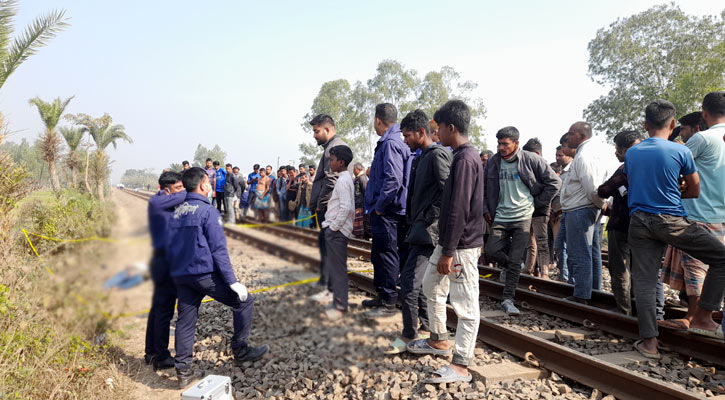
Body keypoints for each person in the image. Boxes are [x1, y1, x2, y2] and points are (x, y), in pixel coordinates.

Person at [626, 99, 725, 359]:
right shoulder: (681, 151)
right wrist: (678, 191)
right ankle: (704, 316)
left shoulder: (632, 153)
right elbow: (694, 189)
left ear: (645, 125)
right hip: (671, 221)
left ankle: (649, 344)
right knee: (721, 258)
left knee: (645, 282)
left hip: (638, 221)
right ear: (673, 124)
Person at [166, 167, 267, 388]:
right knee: (244, 301)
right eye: (209, 183)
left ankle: (182, 371)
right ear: (203, 185)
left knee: (185, 321)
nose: (211, 186)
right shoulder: (208, 211)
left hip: (183, 275)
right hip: (205, 275)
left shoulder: (176, 211)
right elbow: (218, 250)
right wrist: (232, 282)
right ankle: (240, 350)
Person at [407, 100, 483, 384]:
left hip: (460, 245)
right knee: (431, 284)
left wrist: (449, 251)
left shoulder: (464, 160)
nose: (436, 133)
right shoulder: (461, 156)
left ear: (451, 128)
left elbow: (459, 208)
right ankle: (439, 339)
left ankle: (461, 364)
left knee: (465, 305)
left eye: (438, 128)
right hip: (452, 242)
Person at [385, 109, 451, 354]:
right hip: (419, 229)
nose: (404, 140)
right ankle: (425, 328)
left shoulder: (436, 156)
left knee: (411, 284)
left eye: (407, 135)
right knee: (421, 284)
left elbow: (448, 193)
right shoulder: (422, 156)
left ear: (421, 132)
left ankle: (409, 335)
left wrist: (429, 219)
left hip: (428, 232)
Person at [660, 94, 725, 332]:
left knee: (696, 269)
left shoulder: (702, 139)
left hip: (698, 213)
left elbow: (675, 167)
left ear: (704, 113)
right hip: (722, 215)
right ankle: (695, 317)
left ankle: (697, 318)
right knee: (712, 266)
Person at [483, 127, 561, 315]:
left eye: (505, 144)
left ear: (516, 144)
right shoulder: (493, 162)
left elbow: (555, 183)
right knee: (492, 250)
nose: (501, 148)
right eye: (499, 144)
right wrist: (486, 208)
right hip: (500, 216)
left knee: (517, 256)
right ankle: (511, 266)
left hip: (523, 217)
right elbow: (484, 187)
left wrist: (537, 204)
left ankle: (508, 299)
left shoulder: (531, 159)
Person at [363, 103, 413, 314]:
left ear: (377, 120)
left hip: (387, 212)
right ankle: (383, 295)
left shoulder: (391, 143)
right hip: (388, 210)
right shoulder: (394, 141)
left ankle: (389, 300)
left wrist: (380, 207)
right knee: (380, 254)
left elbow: (392, 180)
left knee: (387, 254)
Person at [561, 121, 615, 303]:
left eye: (571, 134)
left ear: (581, 136)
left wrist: (600, 204)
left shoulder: (584, 156)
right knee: (592, 253)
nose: (567, 137)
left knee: (579, 253)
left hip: (580, 209)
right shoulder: (594, 152)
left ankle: (581, 295)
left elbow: (592, 188)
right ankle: (593, 292)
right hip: (587, 208)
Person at [597, 130, 645, 316]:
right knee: (639, 268)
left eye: (618, 149)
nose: (616, 153)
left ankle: (623, 310)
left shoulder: (626, 168)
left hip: (621, 222)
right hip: (644, 224)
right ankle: (641, 309)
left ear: (625, 150)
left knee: (620, 268)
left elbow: (604, 190)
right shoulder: (650, 165)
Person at [144, 171, 186, 371]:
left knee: (157, 309)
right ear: (166, 189)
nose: (181, 191)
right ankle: (161, 356)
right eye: (178, 188)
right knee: (164, 311)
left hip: (164, 261)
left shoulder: (166, 202)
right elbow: (185, 196)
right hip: (165, 263)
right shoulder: (157, 201)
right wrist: (194, 187)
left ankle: (151, 352)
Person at [308, 114, 347, 302]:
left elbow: (331, 179)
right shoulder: (330, 148)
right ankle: (326, 283)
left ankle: (332, 289)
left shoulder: (335, 147)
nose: (314, 135)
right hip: (326, 208)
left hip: (330, 208)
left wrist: (321, 205)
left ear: (328, 130)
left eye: (316, 131)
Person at [320, 146, 356, 320]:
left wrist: (333, 227)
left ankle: (340, 306)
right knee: (336, 268)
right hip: (337, 230)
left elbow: (345, 207)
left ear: (341, 162)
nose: (330, 162)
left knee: (338, 269)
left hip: (337, 232)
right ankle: (337, 302)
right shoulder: (345, 178)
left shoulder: (342, 181)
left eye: (332, 159)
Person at [521, 138, 555, 278]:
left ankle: (544, 272)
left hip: (539, 210)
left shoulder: (544, 167)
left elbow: (554, 184)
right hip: (528, 209)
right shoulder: (529, 167)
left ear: (537, 153)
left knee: (541, 243)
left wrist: (540, 202)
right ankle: (529, 269)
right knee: (530, 243)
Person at [352, 162, 368, 238]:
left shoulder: (362, 178)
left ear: (358, 169)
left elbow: (365, 191)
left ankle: (361, 237)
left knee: (360, 224)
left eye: (354, 169)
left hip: (360, 204)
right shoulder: (357, 178)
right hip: (356, 203)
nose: (353, 171)